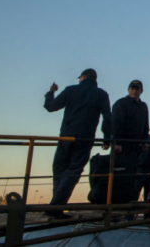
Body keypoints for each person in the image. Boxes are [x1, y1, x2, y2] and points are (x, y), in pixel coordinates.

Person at [44, 68, 112, 219]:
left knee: (60, 169)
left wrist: (50, 93)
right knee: (74, 170)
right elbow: (107, 117)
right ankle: (56, 206)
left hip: (66, 137)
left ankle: (56, 205)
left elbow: (50, 107)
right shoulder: (101, 94)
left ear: (83, 77)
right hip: (85, 138)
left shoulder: (70, 90)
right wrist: (107, 138)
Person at [111, 80, 149, 192]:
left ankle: (128, 197)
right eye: (132, 88)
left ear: (141, 91)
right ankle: (116, 199)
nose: (134, 91)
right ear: (128, 90)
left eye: (137, 89)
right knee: (119, 173)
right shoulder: (120, 104)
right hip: (122, 146)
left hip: (136, 146)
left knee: (132, 174)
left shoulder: (143, 106)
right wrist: (117, 142)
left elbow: (145, 125)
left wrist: (144, 142)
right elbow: (115, 124)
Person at [134, 123, 150, 201]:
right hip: (142, 167)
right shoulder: (144, 139)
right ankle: (132, 211)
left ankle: (146, 211)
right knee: (136, 190)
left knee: (148, 192)